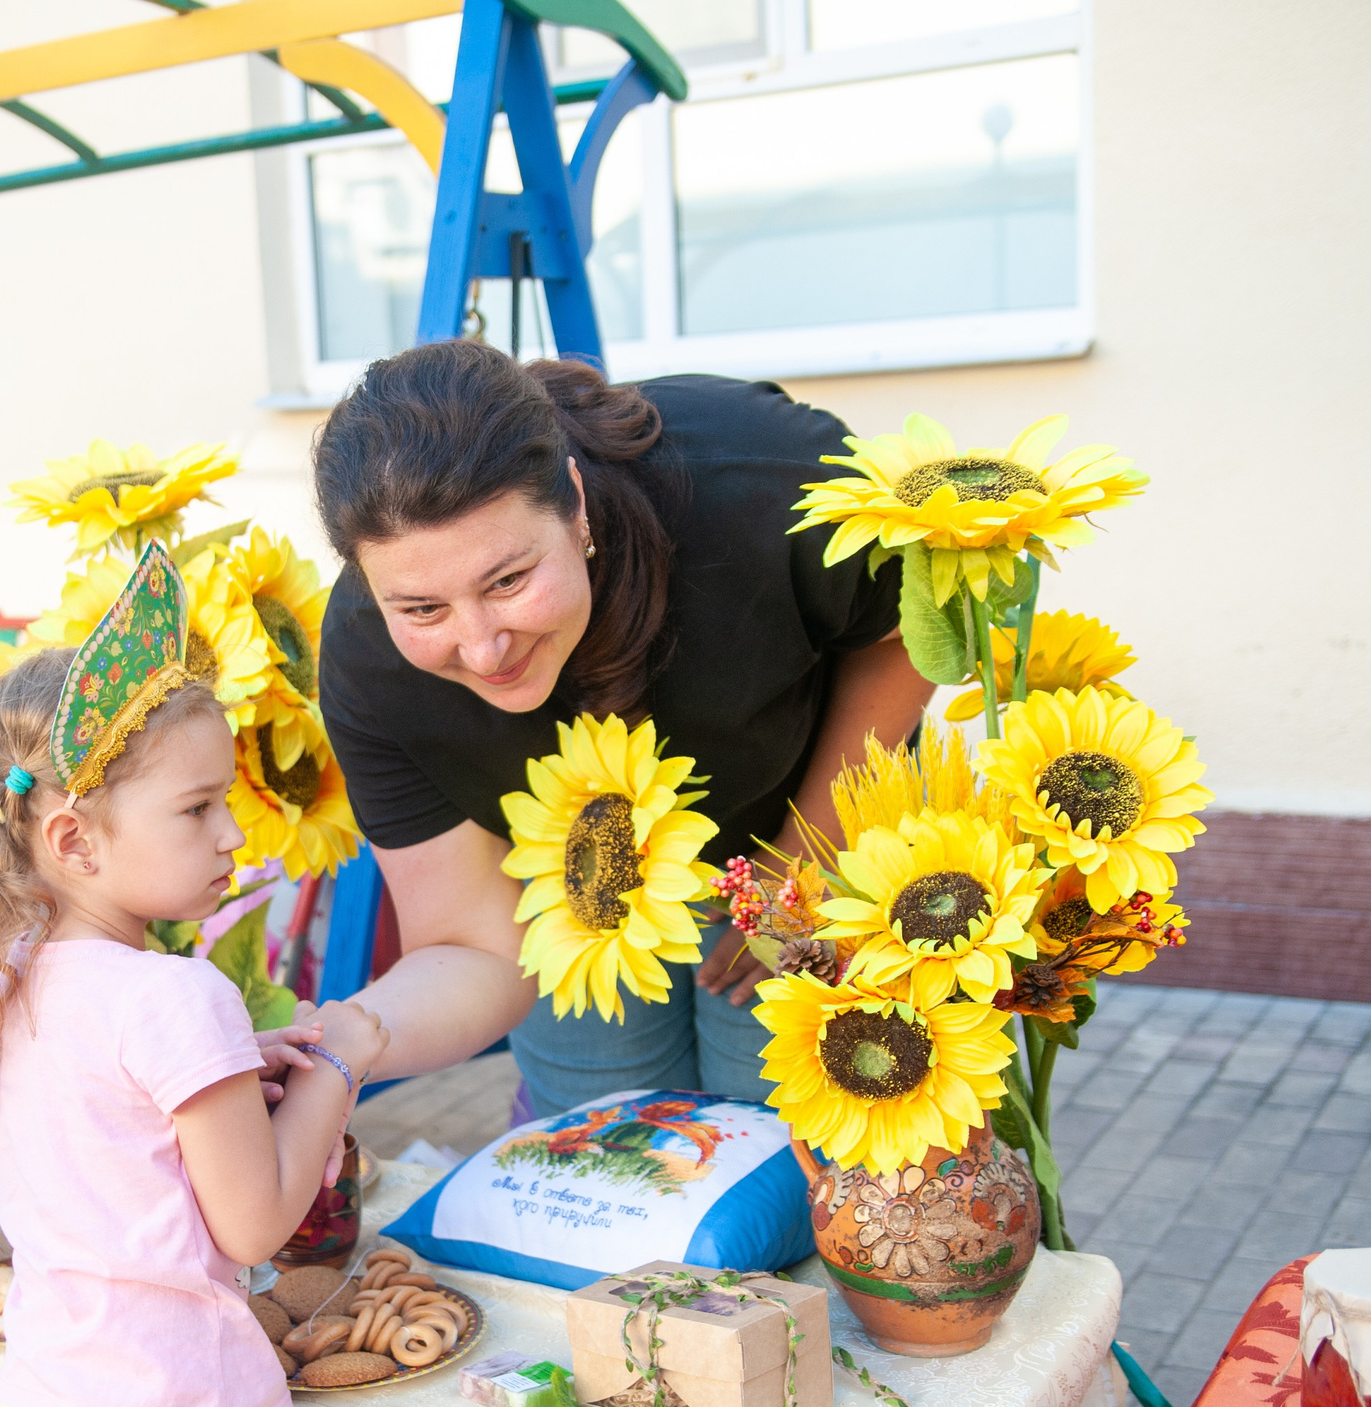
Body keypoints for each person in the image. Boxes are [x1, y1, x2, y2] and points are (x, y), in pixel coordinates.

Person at [314, 343, 935, 1170]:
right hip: (576, 906)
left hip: (807, 812)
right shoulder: (365, 657)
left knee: (799, 1145)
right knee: (614, 1151)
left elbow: (905, 638)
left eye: (507, 580)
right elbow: (475, 948)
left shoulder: (769, 479)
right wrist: (339, 1046)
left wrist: (799, 869)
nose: (482, 645)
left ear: (572, 501)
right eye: (421, 607)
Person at [0, 627, 385, 1407]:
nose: (235, 833)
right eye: (197, 809)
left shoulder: (9, 972)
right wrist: (341, 1065)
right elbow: (254, 1224)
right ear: (74, 836)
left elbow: (110, 1119)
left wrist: (238, 1067)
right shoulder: (177, 997)